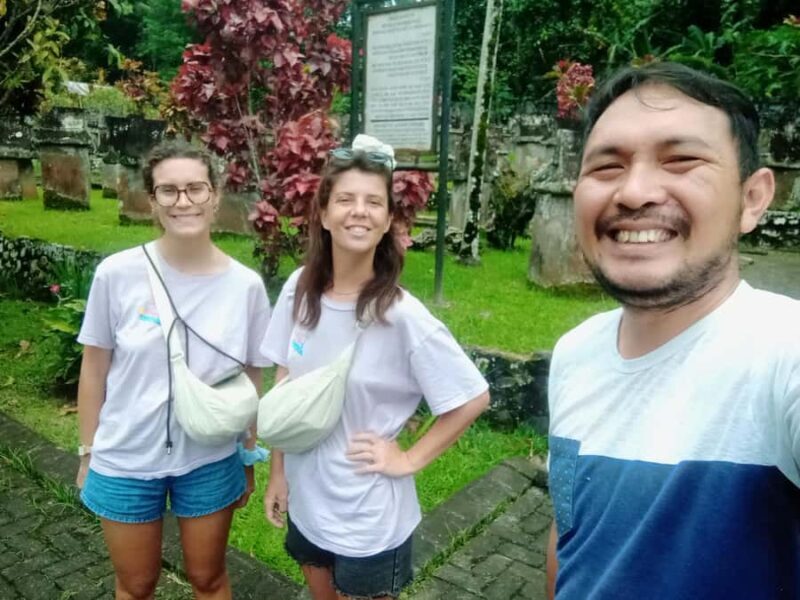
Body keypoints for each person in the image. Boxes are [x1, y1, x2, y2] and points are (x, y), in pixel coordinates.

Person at [545, 61, 800, 599]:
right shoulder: (575, 353)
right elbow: (570, 534)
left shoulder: (784, 353)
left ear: (752, 199)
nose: (634, 192)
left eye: (681, 161)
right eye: (607, 167)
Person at [261, 135, 490, 600]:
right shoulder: (298, 290)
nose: (358, 211)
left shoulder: (401, 316)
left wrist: (407, 459)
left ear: (388, 221)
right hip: (307, 499)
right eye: (345, 199)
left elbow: (472, 397)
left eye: (373, 202)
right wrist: (278, 473)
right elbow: (286, 381)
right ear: (324, 215)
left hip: (366, 515)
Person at [76, 142, 272, 599]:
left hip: (209, 456)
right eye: (168, 191)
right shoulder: (117, 274)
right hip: (126, 456)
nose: (183, 201)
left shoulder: (245, 286)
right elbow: (95, 368)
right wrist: (89, 452)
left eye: (195, 188)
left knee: (208, 578)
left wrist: (248, 454)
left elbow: (251, 377)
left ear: (216, 194)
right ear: (152, 201)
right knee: (136, 583)